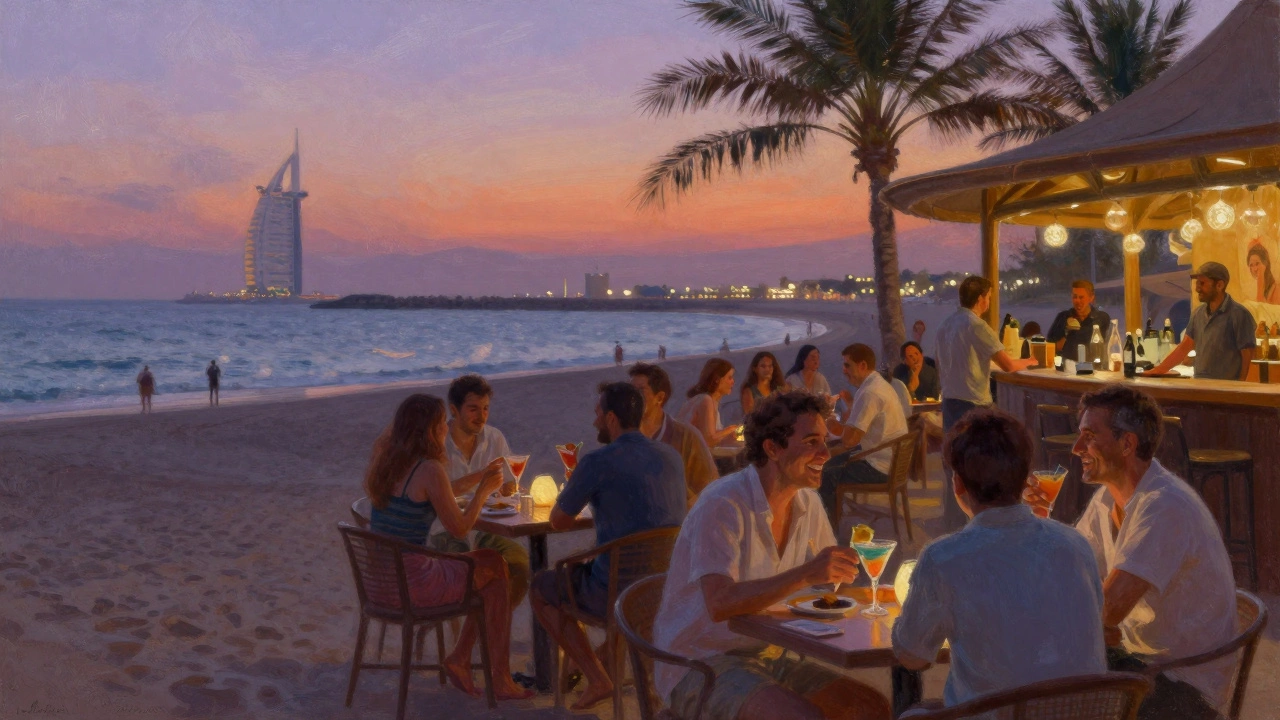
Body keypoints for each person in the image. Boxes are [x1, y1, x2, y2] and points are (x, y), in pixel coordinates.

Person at [654, 392, 891, 720]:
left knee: (870, 708)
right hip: (699, 663)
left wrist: (841, 582)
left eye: (826, 441)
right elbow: (720, 602)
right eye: (811, 442)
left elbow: (828, 586)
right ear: (772, 448)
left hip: (766, 654)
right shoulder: (724, 503)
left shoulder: (807, 502)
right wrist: (807, 574)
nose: (825, 453)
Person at [1024, 385, 1237, 720]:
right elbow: (1068, 572)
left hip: (1182, 687)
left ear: (1127, 444)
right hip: (1142, 662)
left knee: (1033, 676)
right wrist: (1036, 521)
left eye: (1090, 436)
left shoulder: (1164, 506)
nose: (1077, 448)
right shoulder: (1108, 498)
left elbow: (1106, 609)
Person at [893, 409, 1106, 706]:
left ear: (958, 484)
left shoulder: (944, 558)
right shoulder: (1075, 545)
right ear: (1024, 479)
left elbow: (912, 656)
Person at [364, 394, 533, 701]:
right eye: (442, 423)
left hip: (380, 581)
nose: (446, 428)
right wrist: (483, 491)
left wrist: (479, 476)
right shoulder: (429, 468)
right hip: (412, 583)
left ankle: (462, 659)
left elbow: (440, 493)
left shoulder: (388, 460)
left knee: (490, 563)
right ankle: (496, 676)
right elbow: (460, 527)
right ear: (430, 429)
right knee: (495, 568)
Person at [531, 382, 687, 711]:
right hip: (664, 588)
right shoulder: (671, 456)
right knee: (592, 565)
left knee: (541, 587)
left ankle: (597, 676)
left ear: (612, 418)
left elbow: (558, 520)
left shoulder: (598, 461)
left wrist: (578, 487)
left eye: (598, 415)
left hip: (615, 594)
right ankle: (597, 665)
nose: (595, 422)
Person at [936, 276, 1039, 532]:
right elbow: (1008, 365)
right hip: (973, 404)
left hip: (949, 402)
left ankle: (954, 525)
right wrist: (1032, 361)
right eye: (989, 297)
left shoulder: (945, 325)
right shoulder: (976, 325)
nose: (989, 301)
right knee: (979, 469)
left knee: (955, 467)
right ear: (982, 298)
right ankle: (979, 527)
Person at [427, 375, 532, 609]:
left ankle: (486, 629)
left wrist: (507, 488)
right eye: (473, 409)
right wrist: (481, 478)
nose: (481, 416)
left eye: (485, 409)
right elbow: (435, 493)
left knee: (520, 563)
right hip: (444, 531)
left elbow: (504, 487)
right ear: (454, 410)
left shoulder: (494, 437)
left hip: (485, 529)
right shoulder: (437, 442)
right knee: (474, 572)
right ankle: (478, 633)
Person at [820, 344, 908, 522]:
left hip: (879, 467)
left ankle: (828, 530)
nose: (844, 371)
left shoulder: (869, 392)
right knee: (831, 460)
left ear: (862, 366)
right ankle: (834, 517)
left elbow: (850, 440)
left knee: (824, 474)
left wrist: (827, 418)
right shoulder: (878, 384)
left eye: (848, 365)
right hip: (890, 461)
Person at [629, 362, 718, 506]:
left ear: (659, 398)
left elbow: (710, 489)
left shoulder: (686, 436)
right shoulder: (624, 436)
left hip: (680, 522)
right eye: (629, 391)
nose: (632, 397)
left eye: (640, 391)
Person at [1150, 262, 1255, 381]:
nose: (1197, 288)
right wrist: (1158, 370)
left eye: (1202, 283)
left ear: (1219, 285)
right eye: (1197, 283)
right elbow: (1184, 348)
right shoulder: (1198, 314)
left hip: (1226, 390)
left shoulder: (1240, 314)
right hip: (1200, 386)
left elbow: (1248, 358)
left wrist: (1239, 391)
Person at [676, 358, 741, 448]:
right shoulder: (705, 400)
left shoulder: (707, 400)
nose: (733, 382)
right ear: (717, 379)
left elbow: (709, 436)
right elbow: (708, 440)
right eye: (729, 377)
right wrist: (731, 429)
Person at [1046, 280, 1112, 363]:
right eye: (1074, 297)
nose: (1077, 301)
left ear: (1091, 298)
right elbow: (1050, 349)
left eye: (1081, 297)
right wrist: (1067, 334)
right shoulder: (1063, 317)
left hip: (1094, 368)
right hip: (1067, 369)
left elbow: (1107, 347)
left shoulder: (1101, 318)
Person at [740, 351, 786, 415]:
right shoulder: (749, 391)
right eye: (763, 366)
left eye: (770, 366)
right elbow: (749, 417)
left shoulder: (779, 387)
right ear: (755, 369)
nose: (767, 369)